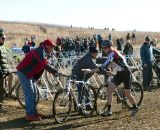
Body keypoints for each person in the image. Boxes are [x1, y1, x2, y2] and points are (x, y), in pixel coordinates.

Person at [87, 39, 139, 116]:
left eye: (105, 48)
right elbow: (111, 64)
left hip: (126, 73)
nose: (103, 49)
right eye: (102, 48)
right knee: (109, 89)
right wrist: (109, 69)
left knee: (128, 94)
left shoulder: (113, 54)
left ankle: (135, 107)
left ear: (109, 47)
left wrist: (92, 71)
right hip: (119, 73)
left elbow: (104, 65)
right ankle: (109, 110)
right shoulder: (111, 54)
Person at [16, 39, 63, 121]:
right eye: (52, 46)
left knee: (33, 93)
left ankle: (33, 113)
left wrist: (35, 78)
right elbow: (44, 64)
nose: (53, 48)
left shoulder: (43, 51)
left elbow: (42, 66)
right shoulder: (40, 51)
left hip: (29, 74)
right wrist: (55, 72)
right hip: (24, 72)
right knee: (30, 93)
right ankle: (30, 115)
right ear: (47, 46)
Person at [72, 46, 99, 111]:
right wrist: (106, 72)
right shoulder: (88, 59)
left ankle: (87, 104)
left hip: (83, 75)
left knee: (86, 89)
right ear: (93, 53)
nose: (97, 55)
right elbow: (95, 68)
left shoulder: (89, 56)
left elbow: (99, 60)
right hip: (79, 75)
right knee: (81, 91)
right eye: (96, 54)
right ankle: (80, 107)